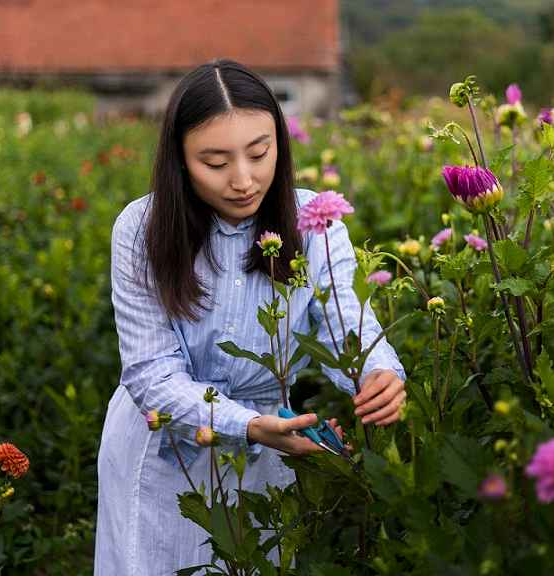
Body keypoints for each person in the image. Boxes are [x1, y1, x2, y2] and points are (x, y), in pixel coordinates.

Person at [94, 59, 406, 575]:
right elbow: (151, 372)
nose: (243, 180)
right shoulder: (142, 229)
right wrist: (248, 424)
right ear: (179, 162)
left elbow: (346, 326)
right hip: (164, 446)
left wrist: (378, 375)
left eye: (259, 153)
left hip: (270, 449)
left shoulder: (314, 225)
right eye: (215, 163)